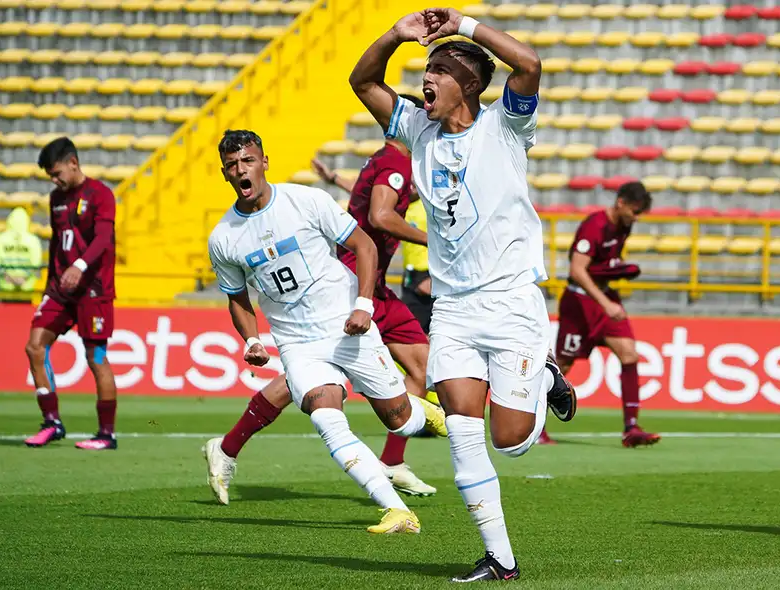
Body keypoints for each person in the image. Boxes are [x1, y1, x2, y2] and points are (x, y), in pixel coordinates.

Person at [351, 7, 577, 581]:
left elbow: (528, 63)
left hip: (511, 301)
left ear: (470, 85)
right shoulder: (416, 129)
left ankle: (545, 377)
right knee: (463, 433)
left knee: (511, 440)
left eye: (440, 69)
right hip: (453, 307)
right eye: (425, 67)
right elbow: (363, 81)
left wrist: (461, 24)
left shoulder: (506, 126)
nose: (426, 76)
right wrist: (393, 37)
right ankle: (500, 558)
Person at [206, 129, 447, 534]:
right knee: (326, 417)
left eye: (248, 161)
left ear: (265, 162)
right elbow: (237, 298)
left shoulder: (306, 200)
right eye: (232, 165)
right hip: (298, 344)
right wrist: (252, 339)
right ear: (225, 173)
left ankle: (429, 413)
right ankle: (396, 510)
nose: (241, 170)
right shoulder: (223, 238)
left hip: (346, 328)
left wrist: (364, 306)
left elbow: (365, 245)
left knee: (401, 421)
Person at [545, 181, 659, 448]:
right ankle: (535, 426)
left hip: (604, 297)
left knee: (629, 355)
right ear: (621, 202)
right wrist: (605, 302)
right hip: (581, 302)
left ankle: (631, 428)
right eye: (634, 211)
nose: (636, 217)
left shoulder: (624, 225)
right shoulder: (594, 226)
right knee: (562, 366)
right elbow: (577, 270)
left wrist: (615, 271)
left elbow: (600, 265)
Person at [24, 137, 119, 450]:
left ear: (73, 163)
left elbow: (103, 238)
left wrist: (79, 265)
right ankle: (51, 422)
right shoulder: (56, 198)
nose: (54, 180)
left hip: (93, 289)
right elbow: (55, 243)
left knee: (96, 357)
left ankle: (106, 434)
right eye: (50, 176)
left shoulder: (100, 194)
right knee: (35, 347)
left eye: (56, 173)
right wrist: (49, 284)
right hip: (60, 289)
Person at [400, 197, 433, 334]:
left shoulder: (429, 202)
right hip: (410, 274)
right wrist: (335, 179)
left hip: (428, 273)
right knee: (410, 334)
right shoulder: (401, 203)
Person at [0, 206, 43, 298]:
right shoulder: (33, 240)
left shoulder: (0, 239)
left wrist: (9, 277)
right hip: (27, 286)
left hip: (5, 286)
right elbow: (36, 263)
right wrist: (23, 278)